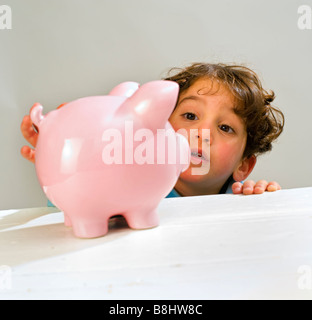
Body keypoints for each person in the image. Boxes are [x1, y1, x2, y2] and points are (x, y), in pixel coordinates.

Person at [20, 62, 284, 197]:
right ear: (159, 126)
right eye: (190, 115)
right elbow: (81, 200)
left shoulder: (240, 202)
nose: (203, 133)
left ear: (243, 166)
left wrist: (262, 198)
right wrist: (60, 158)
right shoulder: (125, 183)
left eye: (225, 127)